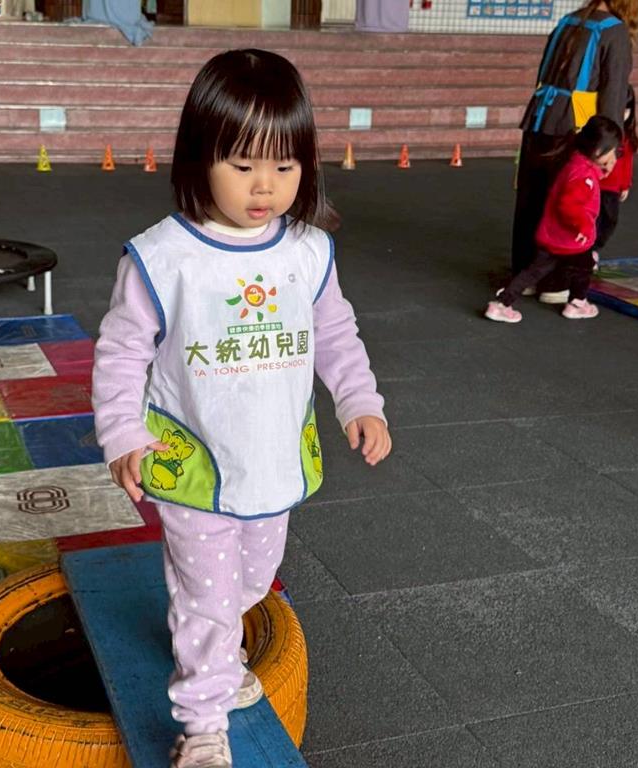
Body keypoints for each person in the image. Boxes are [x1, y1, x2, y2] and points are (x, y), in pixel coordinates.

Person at [91, 49, 392, 768]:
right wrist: (122, 431)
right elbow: (120, 352)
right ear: (199, 157)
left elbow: (335, 332)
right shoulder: (163, 259)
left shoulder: (307, 251)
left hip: (270, 459)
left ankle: (214, 645)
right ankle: (203, 723)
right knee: (208, 595)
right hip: (194, 459)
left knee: (251, 581)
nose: (265, 186)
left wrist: (359, 399)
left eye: (285, 166)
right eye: (244, 164)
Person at [511, 0, 638, 297]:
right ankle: (555, 283)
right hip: (575, 127)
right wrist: (610, 147)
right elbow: (614, 94)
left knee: (532, 200)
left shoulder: (568, 21)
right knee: (570, 202)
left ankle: (524, 276)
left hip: (540, 117)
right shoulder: (614, 31)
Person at [486, 115, 622, 324]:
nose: (614, 158)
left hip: (554, 236)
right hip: (571, 240)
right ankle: (577, 303)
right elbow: (569, 206)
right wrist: (584, 227)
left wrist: (599, 172)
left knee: (533, 272)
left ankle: (502, 304)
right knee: (583, 267)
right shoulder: (582, 175)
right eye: (612, 152)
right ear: (597, 150)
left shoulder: (577, 164)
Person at [595, 85, 637, 257]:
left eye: (627, 110)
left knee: (610, 220)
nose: (623, 114)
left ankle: (594, 247)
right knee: (593, 218)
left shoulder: (627, 136)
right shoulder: (603, 133)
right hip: (598, 184)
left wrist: (626, 184)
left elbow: (628, 162)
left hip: (613, 187)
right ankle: (589, 250)